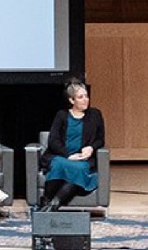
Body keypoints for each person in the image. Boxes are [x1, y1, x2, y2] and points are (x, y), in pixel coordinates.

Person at [38, 78, 105, 212]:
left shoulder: (95, 115)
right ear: (72, 100)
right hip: (63, 156)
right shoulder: (62, 115)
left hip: (82, 159)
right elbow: (53, 141)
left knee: (79, 169)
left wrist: (91, 147)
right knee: (58, 164)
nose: (85, 100)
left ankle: (50, 206)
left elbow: (100, 139)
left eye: (86, 96)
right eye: (80, 97)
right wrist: (68, 156)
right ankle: (49, 203)